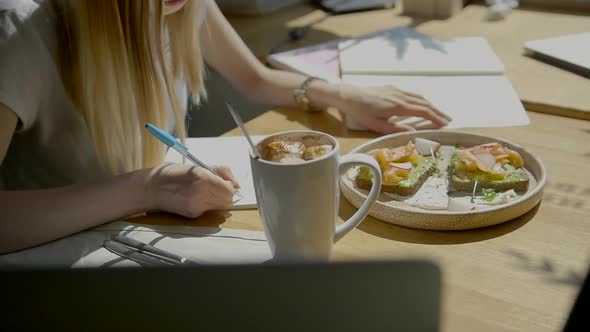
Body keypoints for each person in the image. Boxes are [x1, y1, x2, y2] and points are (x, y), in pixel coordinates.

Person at [0, 0, 451, 254]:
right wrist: (148, 188)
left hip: (140, 235)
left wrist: (337, 93)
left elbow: (256, 78)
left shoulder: (179, 3)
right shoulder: (20, 31)